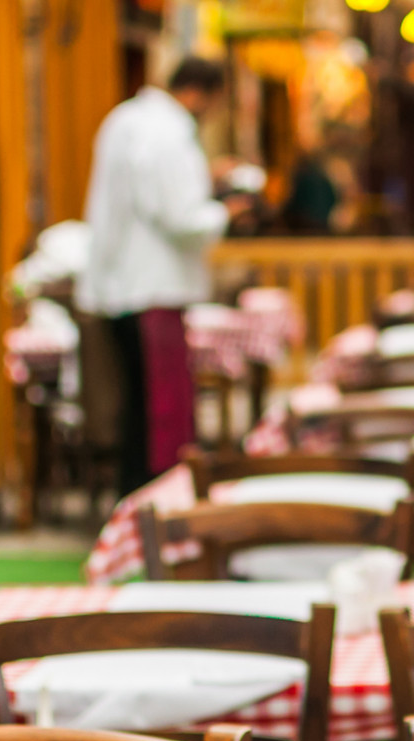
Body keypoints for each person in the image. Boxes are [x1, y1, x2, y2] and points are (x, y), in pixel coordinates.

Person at [77, 56, 247, 494]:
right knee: (163, 413)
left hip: (120, 284)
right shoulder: (168, 133)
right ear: (197, 92)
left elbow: (147, 194)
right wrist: (225, 211)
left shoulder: (126, 119)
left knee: (135, 407)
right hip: (155, 286)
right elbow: (179, 215)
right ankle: (162, 505)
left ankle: (134, 504)